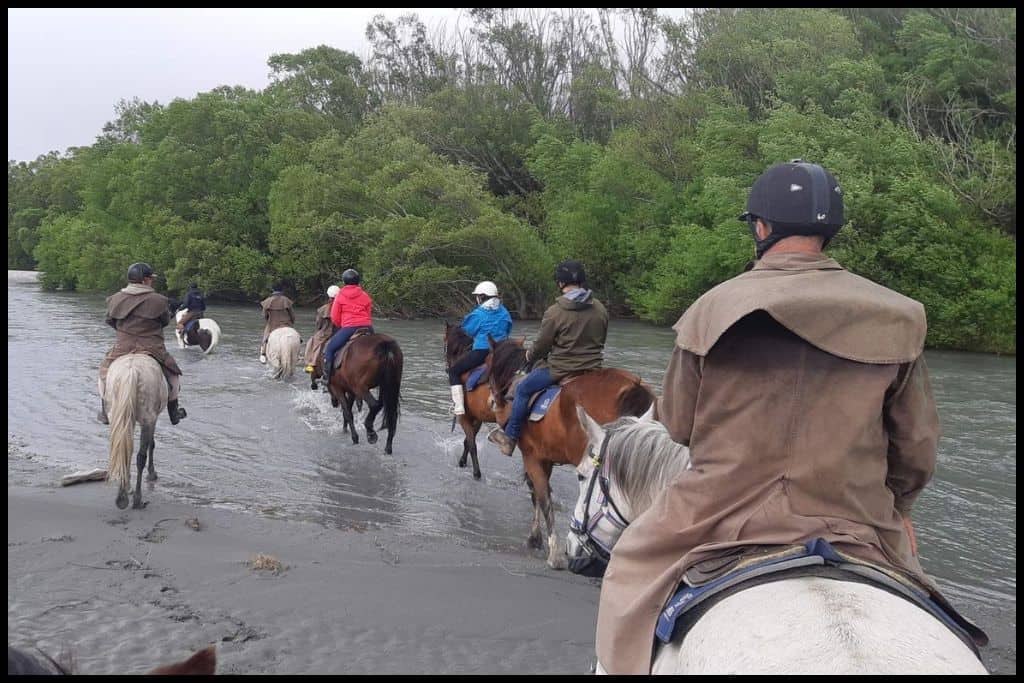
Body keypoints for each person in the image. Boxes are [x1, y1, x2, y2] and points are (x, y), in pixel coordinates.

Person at [594, 160, 985, 673]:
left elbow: (679, 427)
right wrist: (898, 510)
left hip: (719, 514)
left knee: (626, 569)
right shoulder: (899, 316)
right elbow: (916, 448)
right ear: (831, 230)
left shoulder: (712, 308)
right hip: (853, 514)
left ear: (760, 227)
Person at [488, 260, 608, 456]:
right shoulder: (600, 309)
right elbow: (601, 337)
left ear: (561, 283)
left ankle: (510, 437)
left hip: (561, 368)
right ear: (582, 281)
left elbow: (542, 345)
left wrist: (529, 354)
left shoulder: (555, 312)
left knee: (523, 388)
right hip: (594, 368)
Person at [97, 262, 187, 425]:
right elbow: (165, 321)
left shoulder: (114, 298)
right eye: (151, 279)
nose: (152, 281)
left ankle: (104, 411)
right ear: (145, 280)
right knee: (173, 375)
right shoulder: (159, 300)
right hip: (152, 347)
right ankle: (174, 412)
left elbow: (110, 321)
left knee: (104, 372)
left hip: (123, 347)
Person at [448, 281, 513, 415]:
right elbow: (508, 329)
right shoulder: (505, 311)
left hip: (482, 351)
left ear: (482, 297)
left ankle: (459, 406)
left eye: (477, 296)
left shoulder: (478, 314)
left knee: (453, 371)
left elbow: (468, 331)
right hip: (503, 351)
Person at [322, 269, 374, 381]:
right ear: (358, 281)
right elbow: (369, 313)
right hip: (367, 326)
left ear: (344, 281)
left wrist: (341, 325)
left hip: (349, 328)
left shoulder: (340, 296)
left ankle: (327, 378)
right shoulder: (365, 295)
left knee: (330, 349)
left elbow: (334, 316)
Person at [304, 284, 340, 374]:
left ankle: (311, 364)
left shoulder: (323, 309)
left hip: (326, 332)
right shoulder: (344, 306)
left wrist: (317, 331)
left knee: (313, 342)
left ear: (329, 296)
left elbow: (318, 324)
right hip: (341, 331)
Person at [259, 283, 295, 363]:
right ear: (282, 290)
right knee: (296, 337)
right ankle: (298, 354)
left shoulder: (267, 301)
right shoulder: (286, 300)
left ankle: (263, 354)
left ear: (273, 290)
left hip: (272, 325)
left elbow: (264, 316)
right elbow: (292, 316)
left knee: (265, 337)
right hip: (286, 324)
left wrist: (268, 320)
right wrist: (292, 322)